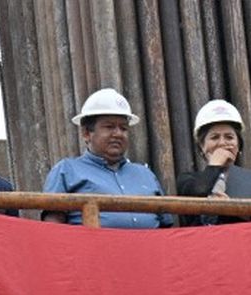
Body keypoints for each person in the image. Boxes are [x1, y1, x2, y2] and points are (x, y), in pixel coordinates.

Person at [42, 88, 168, 228]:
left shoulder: (146, 175)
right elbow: (53, 231)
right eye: (109, 127)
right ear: (86, 133)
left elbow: (166, 229)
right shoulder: (67, 171)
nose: (118, 134)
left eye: (124, 128)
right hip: (91, 249)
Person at [176, 99, 251, 226]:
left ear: (239, 146)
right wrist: (215, 165)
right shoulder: (187, 180)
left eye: (229, 137)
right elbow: (199, 190)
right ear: (202, 147)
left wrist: (233, 210)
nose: (222, 143)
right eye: (214, 137)